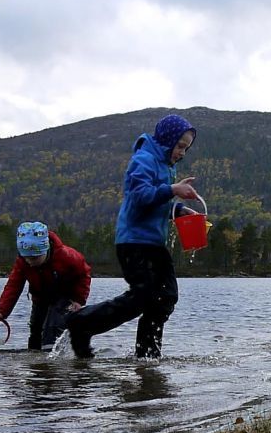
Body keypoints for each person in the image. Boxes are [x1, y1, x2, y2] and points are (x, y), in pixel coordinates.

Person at [68, 114, 199, 360]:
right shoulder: (143, 160)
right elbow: (139, 197)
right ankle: (82, 323)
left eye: (186, 148)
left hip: (153, 243)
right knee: (143, 297)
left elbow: (154, 204)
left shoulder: (167, 168)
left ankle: (147, 358)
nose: (182, 152)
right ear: (168, 139)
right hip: (134, 243)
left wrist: (178, 210)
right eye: (180, 146)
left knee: (166, 297)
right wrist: (172, 190)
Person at [0, 221, 92, 350]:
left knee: (52, 326)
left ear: (45, 250)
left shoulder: (66, 256)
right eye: (27, 258)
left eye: (34, 258)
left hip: (65, 297)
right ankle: (36, 362)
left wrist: (78, 300)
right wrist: (1, 312)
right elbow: (13, 286)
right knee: (36, 328)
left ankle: (50, 362)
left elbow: (84, 274)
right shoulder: (22, 263)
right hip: (40, 298)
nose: (30, 262)